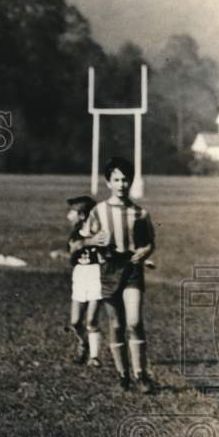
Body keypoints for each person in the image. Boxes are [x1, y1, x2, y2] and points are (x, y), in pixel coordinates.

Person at [81, 157, 156, 393]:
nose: (122, 184)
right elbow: (80, 240)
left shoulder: (140, 213)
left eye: (125, 179)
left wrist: (145, 251)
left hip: (132, 270)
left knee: (134, 321)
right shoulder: (99, 211)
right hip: (109, 271)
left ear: (131, 181)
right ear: (108, 182)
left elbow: (149, 243)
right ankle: (123, 374)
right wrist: (92, 240)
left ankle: (141, 374)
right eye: (117, 179)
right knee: (117, 323)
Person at [64, 194, 104, 367]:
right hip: (80, 277)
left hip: (96, 276)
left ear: (82, 215)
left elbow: (107, 250)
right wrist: (86, 243)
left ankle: (94, 357)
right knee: (75, 321)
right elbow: (73, 252)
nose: (68, 216)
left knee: (92, 321)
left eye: (71, 212)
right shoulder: (74, 233)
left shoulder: (100, 232)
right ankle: (83, 343)